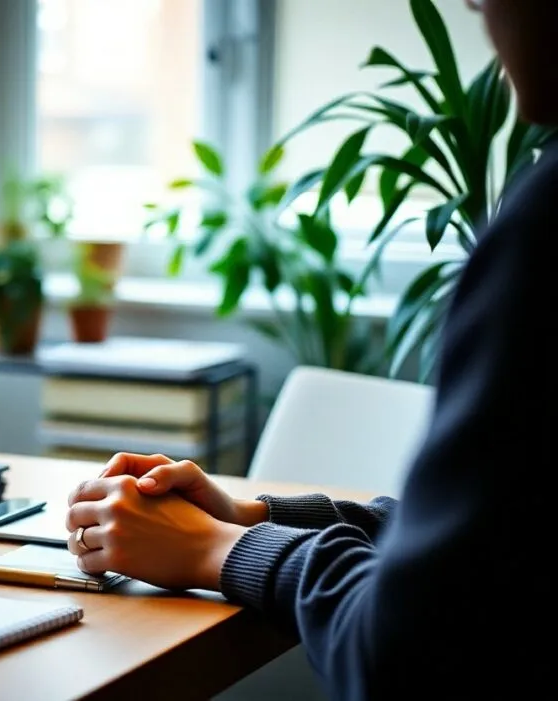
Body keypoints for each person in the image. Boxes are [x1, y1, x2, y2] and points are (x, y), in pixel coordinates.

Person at [65, 1, 553, 697]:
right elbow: (484, 547)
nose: (473, 1)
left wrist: (214, 549)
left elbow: (404, 651)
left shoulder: (541, 232)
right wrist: (253, 516)